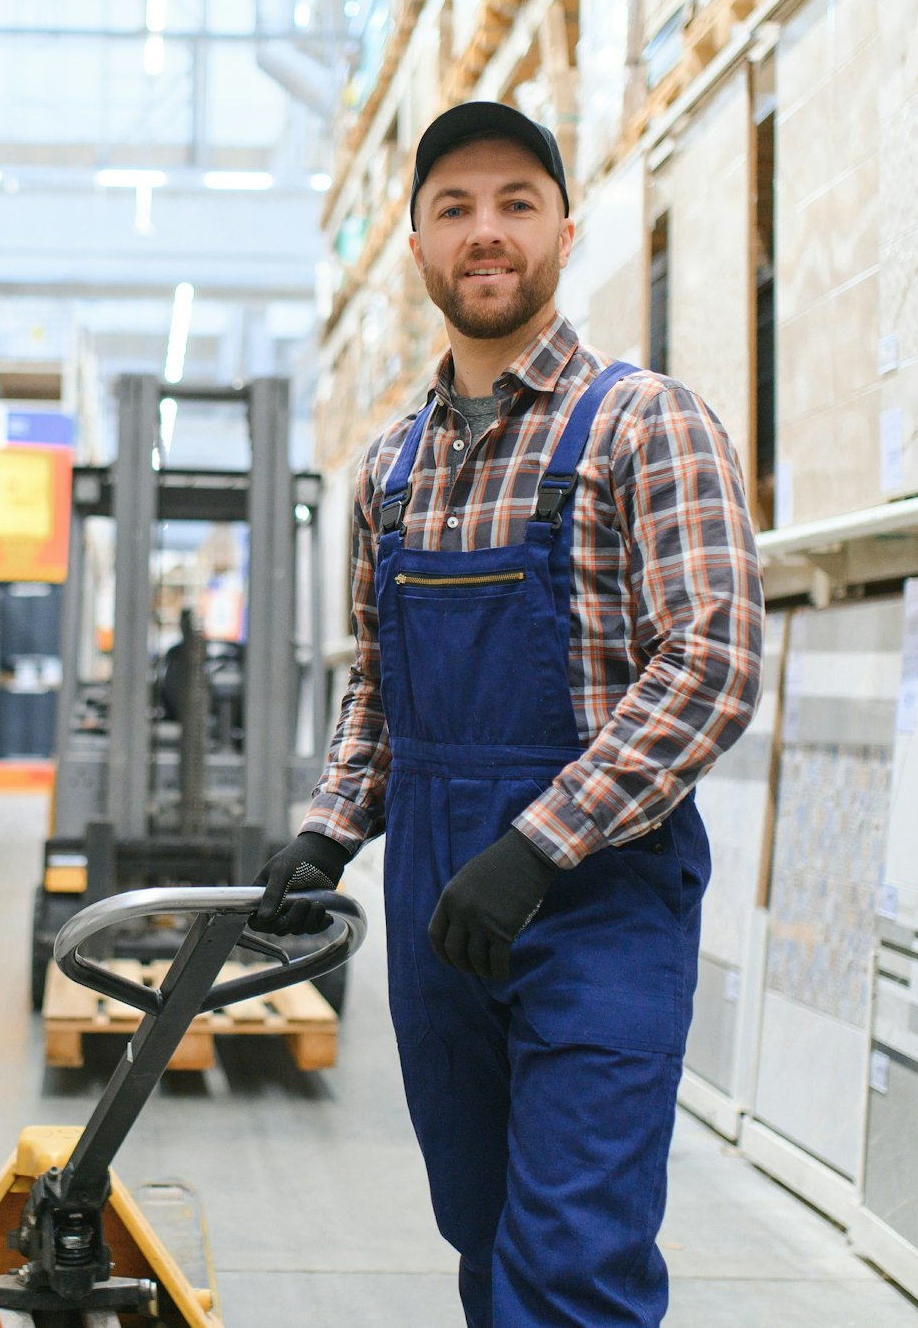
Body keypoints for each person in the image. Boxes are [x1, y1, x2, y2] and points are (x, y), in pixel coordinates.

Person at [250, 102, 765, 1325]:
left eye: (514, 204)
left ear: (563, 231)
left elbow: (712, 662)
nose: (485, 233)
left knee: (572, 1257)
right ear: (417, 248)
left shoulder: (645, 423)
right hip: (440, 900)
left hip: (598, 905)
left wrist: (538, 842)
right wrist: (329, 829)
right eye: (454, 209)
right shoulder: (387, 468)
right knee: (482, 1234)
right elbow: (379, 681)